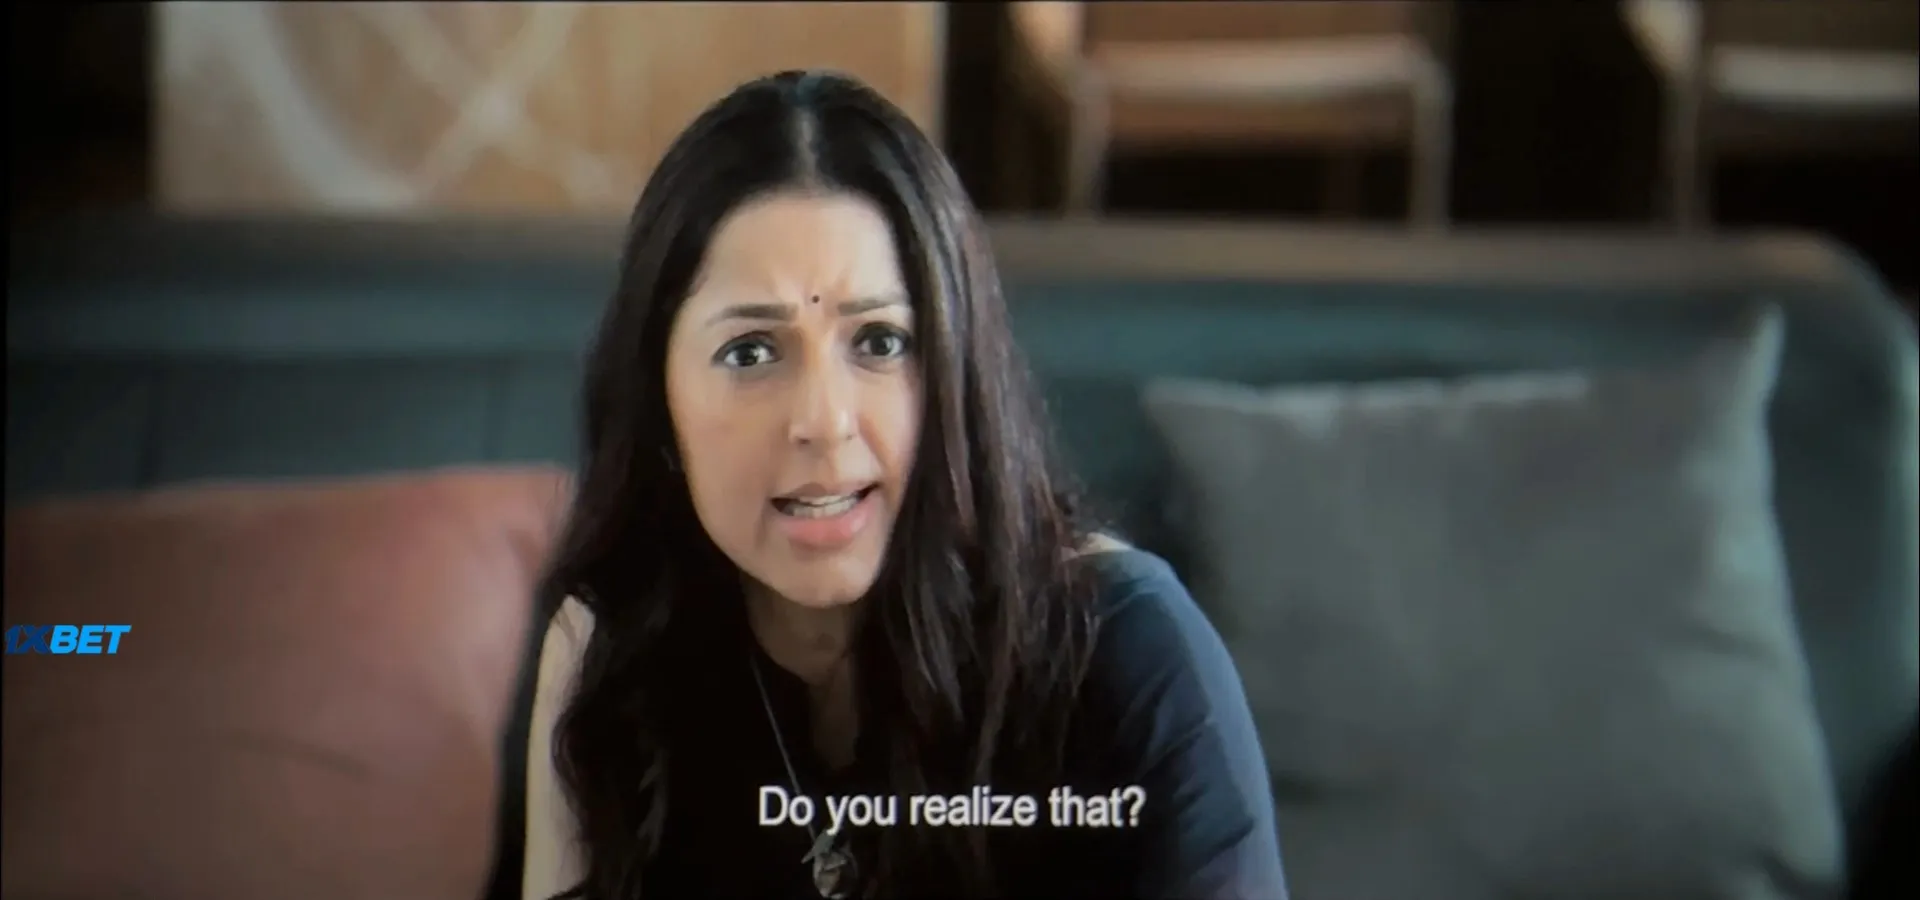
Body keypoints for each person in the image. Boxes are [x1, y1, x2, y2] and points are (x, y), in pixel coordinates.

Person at [487, 70, 1288, 900]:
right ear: (658, 401)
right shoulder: (609, 654)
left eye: (879, 342)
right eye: (750, 352)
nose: (824, 421)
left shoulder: (1127, 654)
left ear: (956, 376)